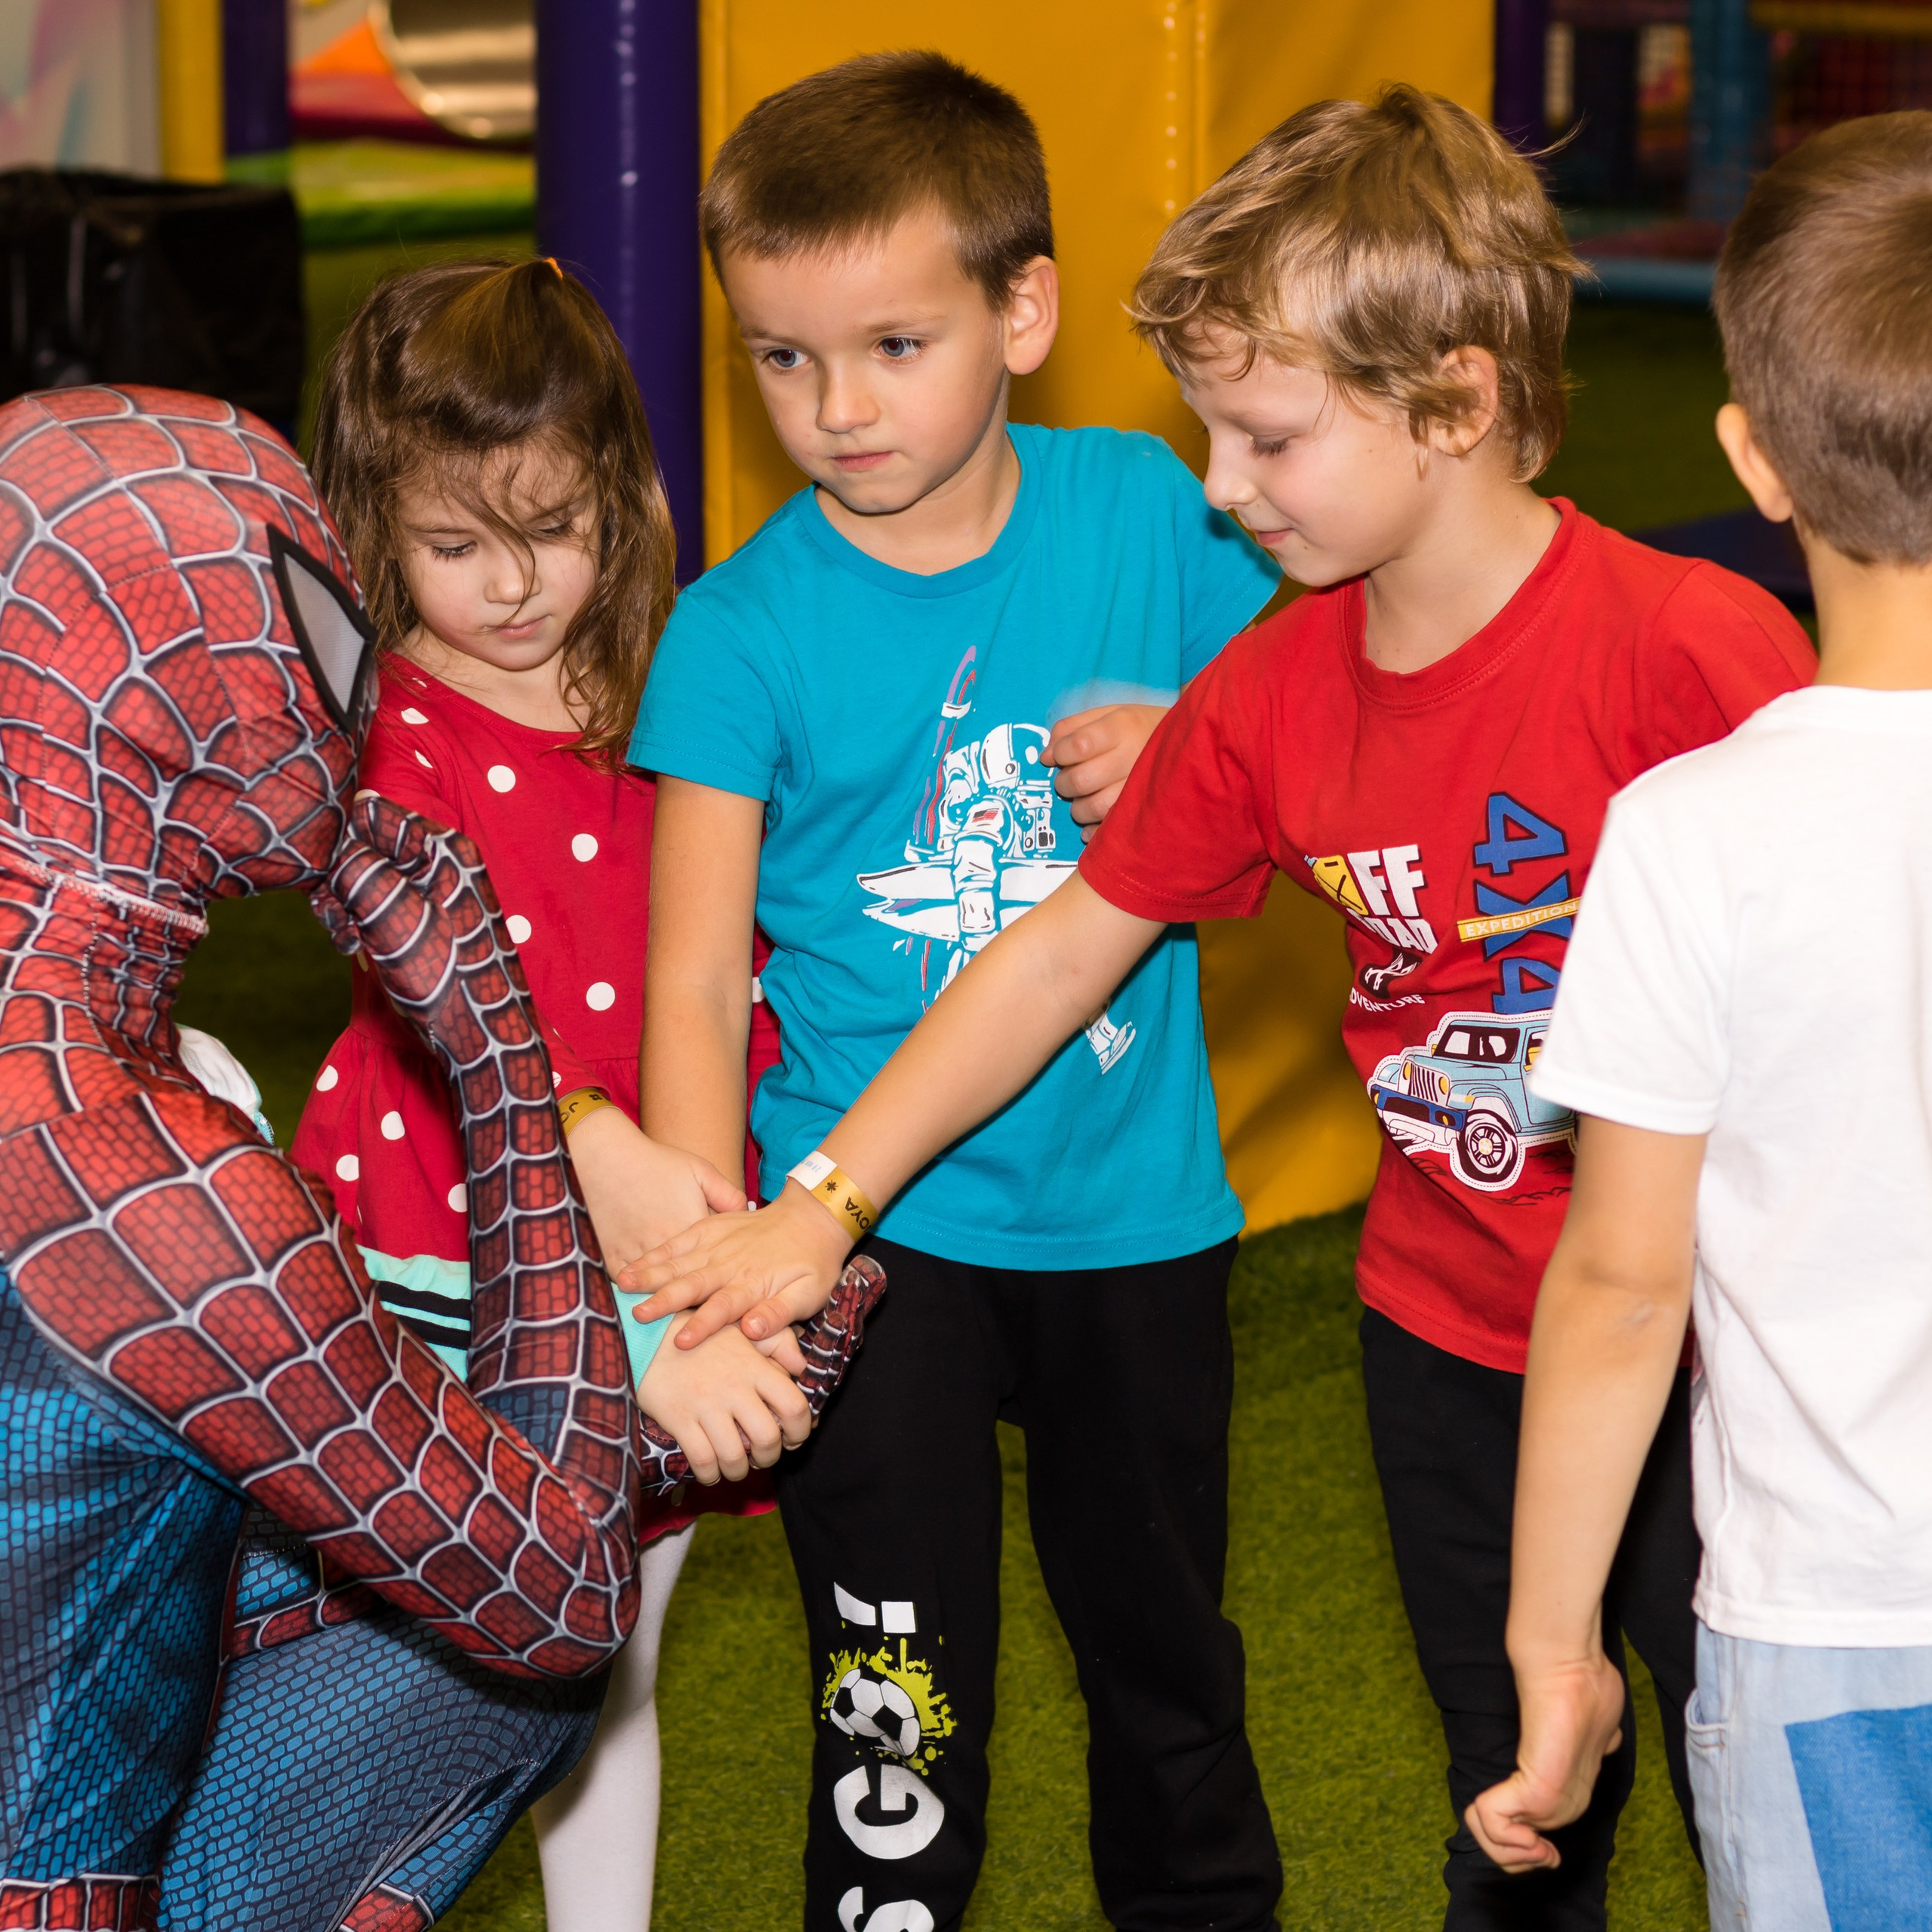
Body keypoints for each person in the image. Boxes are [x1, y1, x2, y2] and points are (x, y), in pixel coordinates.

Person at [626, 85, 1819, 1930]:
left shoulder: (1683, 650)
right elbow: (1047, 952)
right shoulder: (1262, 697)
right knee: (1508, 1774)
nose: (1216, 486)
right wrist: (815, 1203)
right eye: (1208, 431)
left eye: (1260, 436)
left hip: (1712, 1328)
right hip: (1447, 1328)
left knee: (1750, 1745)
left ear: (1455, 399)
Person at [626, 50, 1286, 1932]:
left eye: (891, 346)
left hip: (1131, 1218)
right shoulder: (737, 624)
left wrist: (1187, 733)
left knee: (1165, 1660)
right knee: (891, 1690)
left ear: (1023, 309)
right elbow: (693, 971)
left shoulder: (1148, 514)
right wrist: (710, 1286)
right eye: (779, 358)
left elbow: (1304, 742)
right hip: (864, 1240)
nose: (833, 409)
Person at [165, 262, 818, 1932]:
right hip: (440, 1230)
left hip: (669, 1223)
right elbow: (422, 976)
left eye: (555, 527)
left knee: (609, 1653)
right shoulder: (382, 723)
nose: (517, 588)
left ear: (621, 487)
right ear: (377, 526)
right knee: (428, 1655)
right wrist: (593, 1145)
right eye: (459, 547)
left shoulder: (695, 678)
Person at [0, 383, 648, 1930]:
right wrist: (495, 1055)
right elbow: (558, 1594)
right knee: (504, 1653)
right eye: (306, 620)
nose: (346, 688)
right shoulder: (154, 1176)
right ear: (177, 684)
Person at [1465, 114, 1932, 1932]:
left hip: (1827, 1621)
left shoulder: (1685, 834)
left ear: (1746, 454)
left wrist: (1553, 1642)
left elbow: (1615, 1281)